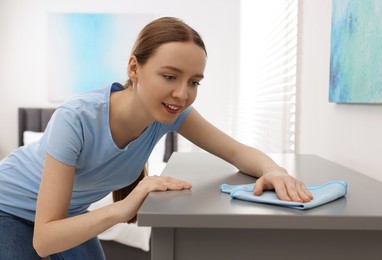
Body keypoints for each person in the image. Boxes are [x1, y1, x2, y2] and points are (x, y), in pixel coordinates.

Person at [0, 17, 313, 259]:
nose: (182, 93)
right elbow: (44, 240)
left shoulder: (170, 115)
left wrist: (275, 171)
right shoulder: (76, 119)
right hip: (7, 208)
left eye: (194, 82)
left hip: (67, 216)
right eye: (169, 76)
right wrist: (124, 207)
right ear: (135, 68)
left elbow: (237, 151)